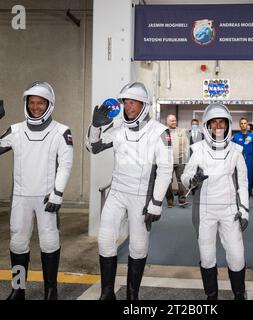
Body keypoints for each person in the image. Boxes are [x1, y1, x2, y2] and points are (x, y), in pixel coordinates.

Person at [0, 82, 74, 300]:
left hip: (47, 198)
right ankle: (18, 289)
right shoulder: (16, 130)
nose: (35, 107)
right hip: (21, 198)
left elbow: (66, 165)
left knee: (49, 242)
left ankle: (50, 291)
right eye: (32, 103)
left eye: (40, 103)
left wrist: (57, 193)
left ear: (49, 105)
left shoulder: (62, 131)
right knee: (17, 242)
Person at [86, 82, 173, 300]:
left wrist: (156, 202)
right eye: (126, 102)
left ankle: (132, 295)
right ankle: (107, 292)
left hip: (142, 198)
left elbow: (165, 169)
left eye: (134, 102)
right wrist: (95, 126)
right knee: (105, 240)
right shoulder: (117, 131)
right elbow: (93, 147)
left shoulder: (160, 132)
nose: (129, 107)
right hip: (116, 194)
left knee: (138, 246)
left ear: (144, 105)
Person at [181, 103, 249, 300]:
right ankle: (212, 297)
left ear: (228, 125)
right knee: (207, 256)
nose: (218, 126)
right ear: (207, 125)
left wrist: (244, 210)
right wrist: (192, 180)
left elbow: (242, 183)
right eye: (214, 122)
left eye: (222, 122)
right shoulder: (197, 149)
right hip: (205, 210)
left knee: (236, 256)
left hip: (230, 210)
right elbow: (185, 176)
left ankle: (239, 295)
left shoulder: (237, 150)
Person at [165, 114, 190, 208]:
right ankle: (170, 201)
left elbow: (186, 145)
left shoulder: (181, 131)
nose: (174, 122)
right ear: (167, 122)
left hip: (180, 160)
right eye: (172, 121)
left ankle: (182, 200)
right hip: (167, 161)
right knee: (168, 182)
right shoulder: (164, 132)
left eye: (175, 120)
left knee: (181, 181)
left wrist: (186, 158)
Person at [232, 117, 253, 196]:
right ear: (239, 125)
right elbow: (231, 148)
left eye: (245, 123)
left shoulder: (252, 137)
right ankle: (239, 194)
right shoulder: (235, 136)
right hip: (238, 161)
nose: (243, 125)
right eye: (241, 123)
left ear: (247, 125)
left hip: (249, 161)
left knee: (249, 178)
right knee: (239, 178)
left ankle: (248, 194)